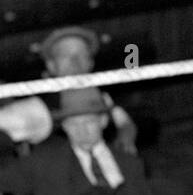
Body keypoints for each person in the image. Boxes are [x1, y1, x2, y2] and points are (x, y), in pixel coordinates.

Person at [0, 87, 157, 195]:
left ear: (103, 121)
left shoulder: (129, 162)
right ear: (65, 127)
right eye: (73, 124)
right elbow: (4, 176)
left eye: (88, 122)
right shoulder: (46, 162)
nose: (81, 131)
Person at [34, 26, 138, 155]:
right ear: (51, 65)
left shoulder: (103, 95)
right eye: (65, 55)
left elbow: (124, 122)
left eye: (82, 55)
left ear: (90, 62)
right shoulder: (38, 105)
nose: (75, 61)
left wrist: (125, 137)